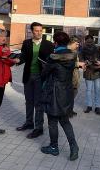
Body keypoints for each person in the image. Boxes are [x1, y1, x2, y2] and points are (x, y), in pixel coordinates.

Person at [41, 31, 79, 161]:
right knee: (65, 121)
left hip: (54, 92)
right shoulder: (72, 56)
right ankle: (74, 147)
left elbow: (44, 74)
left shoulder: (53, 57)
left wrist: (44, 67)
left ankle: (54, 147)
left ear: (55, 43)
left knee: (52, 122)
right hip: (67, 92)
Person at [16, 22, 54, 139]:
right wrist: (18, 60)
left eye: (40, 30)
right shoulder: (27, 43)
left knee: (38, 103)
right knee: (28, 100)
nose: (39, 33)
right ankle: (29, 122)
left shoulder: (48, 44)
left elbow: (52, 61)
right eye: (36, 31)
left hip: (41, 77)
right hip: (28, 75)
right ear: (32, 31)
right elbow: (23, 56)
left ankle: (39, 128)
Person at [80, 35, 100, 115]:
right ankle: (89, 106)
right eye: (88, 42)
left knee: (97, 90)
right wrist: (85, 62)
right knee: (88, 90)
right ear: (85, 41)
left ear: (93, 41)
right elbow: (81, 59)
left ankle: (97, 107)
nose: (89, 43)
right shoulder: (83, 49)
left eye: (91, 41)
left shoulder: (97, 48)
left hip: (97, 71)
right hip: (88, 71)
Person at [67, 35, 85, 117]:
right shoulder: (66, 51)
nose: (78, 46)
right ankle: (67, 112)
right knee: (69, 95)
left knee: (73, 94)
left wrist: (81, 65)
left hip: (75, 76)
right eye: (77, 44)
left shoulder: (74, 52)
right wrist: (78, 64)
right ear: (72, 42)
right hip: (69, 77)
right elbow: (65, 63)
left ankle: (70, 110)